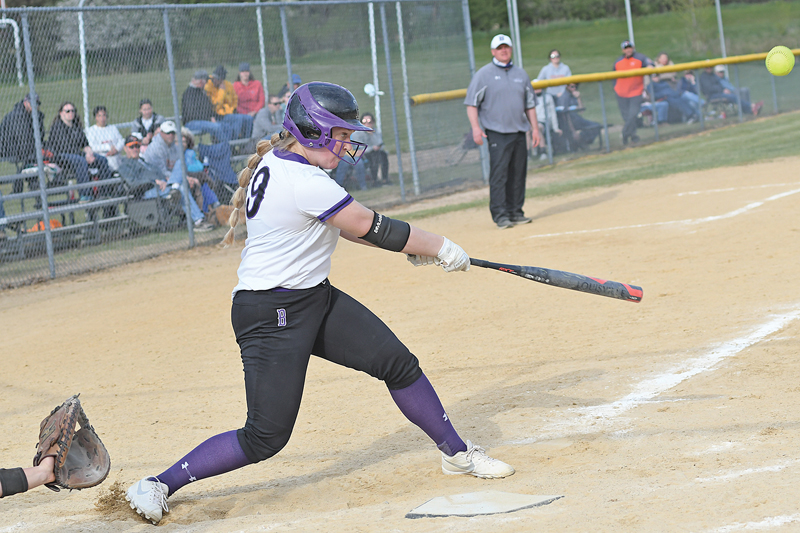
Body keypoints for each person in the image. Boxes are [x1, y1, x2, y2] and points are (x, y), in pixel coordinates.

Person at [125, 82, 514, 526]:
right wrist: (441, 245)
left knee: (397, 363)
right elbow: (369, 226)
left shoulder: (281, 160)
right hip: (269, 313)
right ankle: (157, 484)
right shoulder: (303, 179)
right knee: (265, 436)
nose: (348, 145)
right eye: (341, 135)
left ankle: (457, 453)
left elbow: (345, 226)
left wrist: (416, 248)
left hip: (311, 295)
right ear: (311, 131)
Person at [465, 34, 540, 229]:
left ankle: (516, 211)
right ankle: (500, 215)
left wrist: (535, 129)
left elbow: (530, 105)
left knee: (518, 172)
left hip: (519, 130)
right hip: (497, 131)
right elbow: (472, 104)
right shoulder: (484, 74)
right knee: (500, 174)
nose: (503, 50)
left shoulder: (520, 74)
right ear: (493, 52)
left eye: (506, 47)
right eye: (499, 48)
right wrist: (475, 128)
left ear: (511, 49)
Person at [142, 120, 213, 231]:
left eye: (172, 133)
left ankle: (175, 189)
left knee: (181, 178)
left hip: (170, 182)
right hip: (156, 186)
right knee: (181, 188)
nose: (171, 135)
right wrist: (182, 179)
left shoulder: (174, 148)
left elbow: (177, 170)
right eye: (168, 133)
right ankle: (198, 220)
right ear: (161, 133)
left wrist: (186, 178)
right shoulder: (155, 148)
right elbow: (161, 172)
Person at [46, 101, 113, 202]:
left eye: (73, 111)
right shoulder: (57, 128)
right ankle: (85, 195)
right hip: (61, 157)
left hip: (77, 156)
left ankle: (105, 192)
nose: (71, 113)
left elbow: (85, 144)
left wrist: (90, 154)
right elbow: (66, 148)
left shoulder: (76, 127)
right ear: (61, 113)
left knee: (102, 160)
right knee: (80, 161)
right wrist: (85, 156)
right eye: (67, 111)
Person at [0, 92, 45, 193]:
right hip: (8, 147)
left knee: (42, 152)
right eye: (32, 103)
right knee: (32, 156)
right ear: (25, 103)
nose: (35, 106)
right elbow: (23, 141)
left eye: (37, 103)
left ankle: (28, 185)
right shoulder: (18, 116)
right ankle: (31, 183)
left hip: (26, 147)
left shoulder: (37, 116)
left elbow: (40, 137)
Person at [612, 40, 654, 145]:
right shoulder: (618, 62)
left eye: (630, 47)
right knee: (627, 117)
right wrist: (615, 88)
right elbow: (613, 76)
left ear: (633, 48)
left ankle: (624, 133)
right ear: (623, 50)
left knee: (633, 115)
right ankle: (633, 136)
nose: (628, 50)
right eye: (626, 48)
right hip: (621, 93)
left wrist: (650, 67)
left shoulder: (640, 58)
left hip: (635, 92)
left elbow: (650, 64)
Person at [182, 70, 232, 144]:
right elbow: (191, 114)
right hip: (192, 123)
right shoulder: (189, 93)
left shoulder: (201, 92)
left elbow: (207, 108)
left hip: (204, 121)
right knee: (216, 127)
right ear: (201, 82)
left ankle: (220, 147)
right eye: (205, 81)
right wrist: (209, 119)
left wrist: (212, 116)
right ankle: (226, 149)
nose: (206, 83)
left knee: (226, 126)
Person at [206, 65, 253, 140]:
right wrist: (222, 91)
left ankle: (245, 143)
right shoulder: (208, 86)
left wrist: (233, 108)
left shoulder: (227, 85)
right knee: (238, 119)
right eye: (214, 78)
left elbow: (234, 99)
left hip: (230, 112)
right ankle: (233, 142)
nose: (215, 80)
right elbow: (216, 105)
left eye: (218, 79)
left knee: (249, 119)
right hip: (218, 115)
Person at [556, 83, 602, 149]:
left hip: (578, 120)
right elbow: (566, 117)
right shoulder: (564, 98)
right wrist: (573, 131)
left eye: (576, 87)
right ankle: (581, 144)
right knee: (578, 133)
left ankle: (583, 142)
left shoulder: (574, 96)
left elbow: (581, 111)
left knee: (597, 126)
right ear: (567, 87)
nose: (574, 88)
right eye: (572, 87)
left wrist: (578, 98)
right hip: (570, 123)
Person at [85, 105, 125, 171]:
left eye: (104, 115)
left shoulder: (113, 128)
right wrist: (108, 147)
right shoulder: (91, 131)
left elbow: (121, 140)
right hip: (103, 158)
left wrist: (116, 149)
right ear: (96, 118)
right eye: (99, 116)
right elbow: (92, 147)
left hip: (116, 156)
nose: (102, 118)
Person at [356, 112, 390, 185]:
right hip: (364, 154)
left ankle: (385, 179)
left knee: (383, 155)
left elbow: (380, 143)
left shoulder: (376, 132)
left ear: (373, 122)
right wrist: (372, 148)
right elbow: (360, 148)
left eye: (369, 122)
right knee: (374, 156)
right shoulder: (358, 133)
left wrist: (371, 134)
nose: (367, 124)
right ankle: (374, 180)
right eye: (364, 122)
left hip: (376, 152)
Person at [533, 81, 562, 158]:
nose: (537, 90)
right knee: (527, 130)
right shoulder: (529, 98)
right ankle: (529, 153)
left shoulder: (547, 97)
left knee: (537, 127)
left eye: (538, 88)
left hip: (544, 122)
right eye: (535, 88)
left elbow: (553, 113)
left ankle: (543, 152)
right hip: (532, 122)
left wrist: (556, 128)